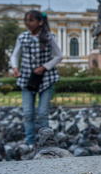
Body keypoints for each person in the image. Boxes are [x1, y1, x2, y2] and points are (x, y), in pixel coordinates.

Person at [11, 10, 62, 146]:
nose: (28, 23)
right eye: (26, 20)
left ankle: (46, 143)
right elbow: (15, 55)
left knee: (43, 113)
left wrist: (44, 67)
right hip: (27, 78)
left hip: (45, 79)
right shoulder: (22, 37)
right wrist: (14, 67)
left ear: (40, 22)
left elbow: (59, 55)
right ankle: (30, 142)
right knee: (28, 112)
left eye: (31, 20)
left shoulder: (48, 37)